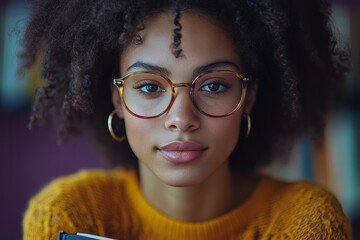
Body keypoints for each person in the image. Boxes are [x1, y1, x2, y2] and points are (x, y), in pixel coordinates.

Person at [21, 0, 352, 239]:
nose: (181, 118)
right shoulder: (69, 218)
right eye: (149, 86)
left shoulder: (306, 224)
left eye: (213, 85)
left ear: (247, 98)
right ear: (117, 100)